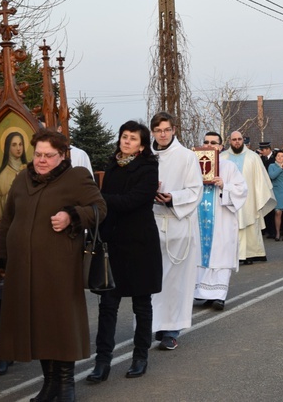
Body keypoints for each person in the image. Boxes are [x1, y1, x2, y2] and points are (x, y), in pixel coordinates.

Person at [0, 128, 106, 402]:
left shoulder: (76, 176)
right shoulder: (23, 178)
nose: (41, 160)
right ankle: (50, 384)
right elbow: (8, 220)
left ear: (62, 155)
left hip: (59, 267)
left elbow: (100, 208)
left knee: (60, 325)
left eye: (49, 155)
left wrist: (72, 216)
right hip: (23, 268)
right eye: (38, 154)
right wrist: (2, 258)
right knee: (38, 327)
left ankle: (66, 385)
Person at [87, 121, 162, 383]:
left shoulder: (149, 167)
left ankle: (140, 356)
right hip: (113, 244)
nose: (126, 141)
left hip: (140, 244)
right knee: (108, 305)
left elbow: (135, 200)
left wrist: (99, 197)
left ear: (142, 145)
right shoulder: (112, 164)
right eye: (124, 137)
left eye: (132, 138)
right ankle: (102, 361)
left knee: (142, 304)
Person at [149, 112, 203, 351]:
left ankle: (171, 331)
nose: (162, 134)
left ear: (173, 130)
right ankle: (153, 325)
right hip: (150, 223)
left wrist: (173, 198)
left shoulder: (186, 156)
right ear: (152, 132)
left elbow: (195, 190)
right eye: (158, 130)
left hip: (177, 224)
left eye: (166, 130)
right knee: (153, 279)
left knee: (174, 282)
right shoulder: (144, 155)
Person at [193, 131, 247, 310]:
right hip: (199, 221)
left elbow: (242, 190)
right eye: (206, 142)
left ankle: (219, 296)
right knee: (200, 254)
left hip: (222, 220)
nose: (209, 146)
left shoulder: (229, 166)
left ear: (221, 146)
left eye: (213, 143)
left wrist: (225, 186)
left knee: (221, 254)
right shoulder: (194, 167)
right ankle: (203, 293)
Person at [221, 131, 277, 264]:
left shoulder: (253, 157)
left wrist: (259, 196)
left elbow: (260, 179)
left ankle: (251, 254)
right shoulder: (222, 157)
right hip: (229, 199)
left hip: (249, 198)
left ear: (243, 140)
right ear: (229, 141)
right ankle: (232, 254)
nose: (237, 142)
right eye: (234, 139)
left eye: (239, 139)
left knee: (250, 224)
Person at [0, 131, 28, 219]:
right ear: (8, 147)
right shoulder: (3, 175)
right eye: (14, 145)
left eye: (20, 144)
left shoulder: (29, 169)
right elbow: (0, 202)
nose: (18, 148)